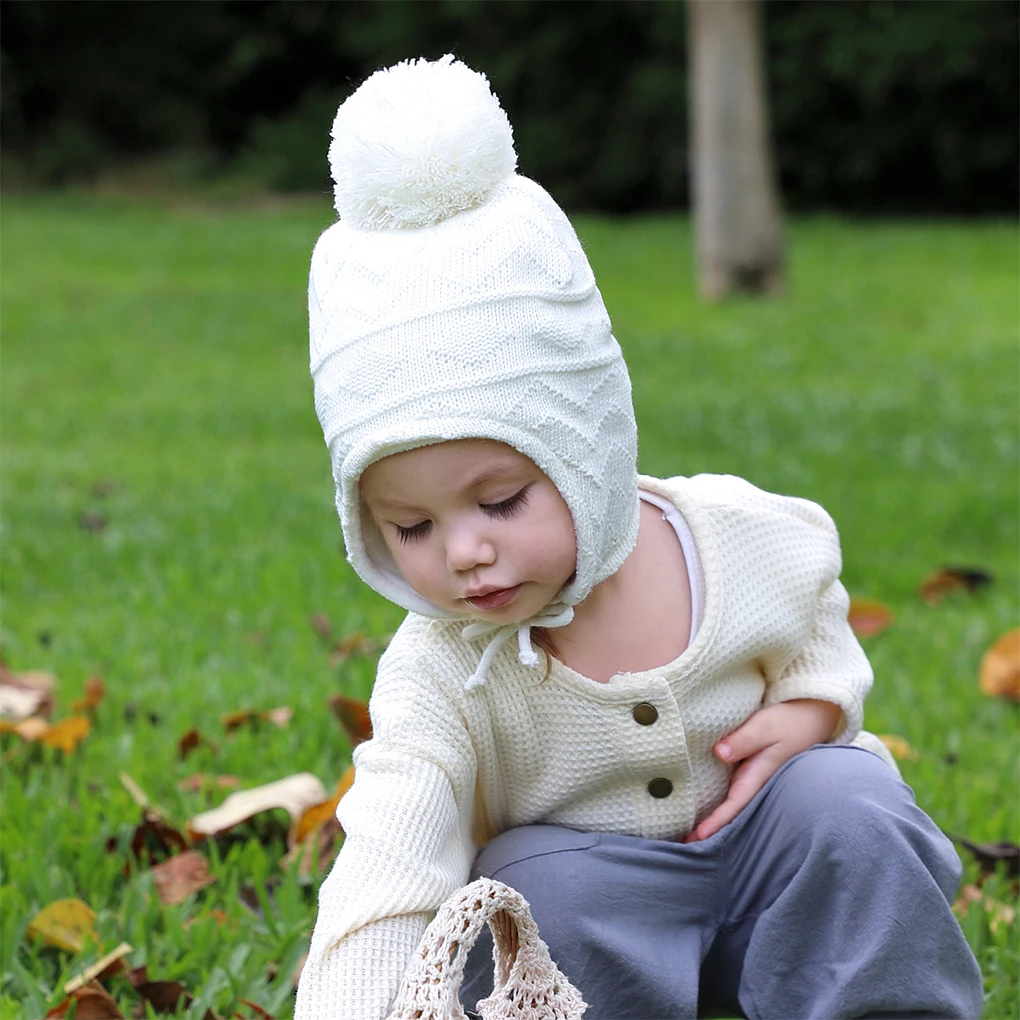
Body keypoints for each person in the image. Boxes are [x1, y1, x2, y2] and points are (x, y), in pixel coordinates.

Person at [295, 55, 983, 1020]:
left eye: (500, 502)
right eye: (411, 525)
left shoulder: (741, 536)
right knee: (533, 887)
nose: (463, 552)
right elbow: (390, 862)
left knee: (845, 805)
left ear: (586, 448)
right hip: (598, 931)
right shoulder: (442, 672)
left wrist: (820, 709)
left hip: (767, 882)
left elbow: (814, 625)